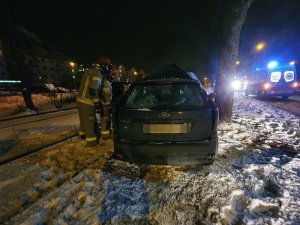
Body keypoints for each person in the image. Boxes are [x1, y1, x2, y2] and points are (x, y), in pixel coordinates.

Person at [76, 56, 113, 146]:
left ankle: (82, 136)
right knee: (90, 123)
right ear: (103, 65)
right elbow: (93, 89)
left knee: (83, 121)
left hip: (79, 100)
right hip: (88, 102)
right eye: (107, 66)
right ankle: (91, 141)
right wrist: (97, 103)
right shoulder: (98, 73)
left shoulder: (89, 70)